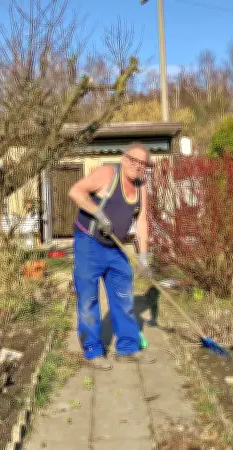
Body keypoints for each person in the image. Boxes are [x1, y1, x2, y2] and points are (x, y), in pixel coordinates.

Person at [67, 142, 156, 370]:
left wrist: (143, 256)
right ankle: (93, 351)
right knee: (88, 299)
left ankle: (127, 348)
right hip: (89, 242)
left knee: (123, 295)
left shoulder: (141, 185)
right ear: (124, 159)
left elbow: (142, 220)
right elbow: (75, 191)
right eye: (133, 161)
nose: (137, 167)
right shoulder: (108, 172)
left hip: (115, 246)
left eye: (142, 164)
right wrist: (98, 213)